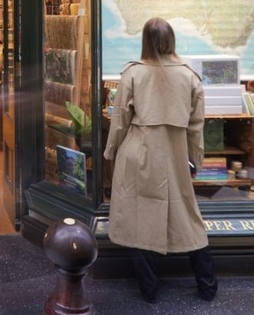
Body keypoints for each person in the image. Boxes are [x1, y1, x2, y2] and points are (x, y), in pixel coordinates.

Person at [103, 17, 217, 303]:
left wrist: (110, 152)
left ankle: (148, 289)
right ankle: (207, 285)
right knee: (189, 216)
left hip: (139, 150)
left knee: (139, 218)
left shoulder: (133, 73)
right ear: (172, 40)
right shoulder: (190, 76)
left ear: (145, 41)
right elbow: (196, 126)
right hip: (176, 153)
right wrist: (195, 161)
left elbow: (120, 120)